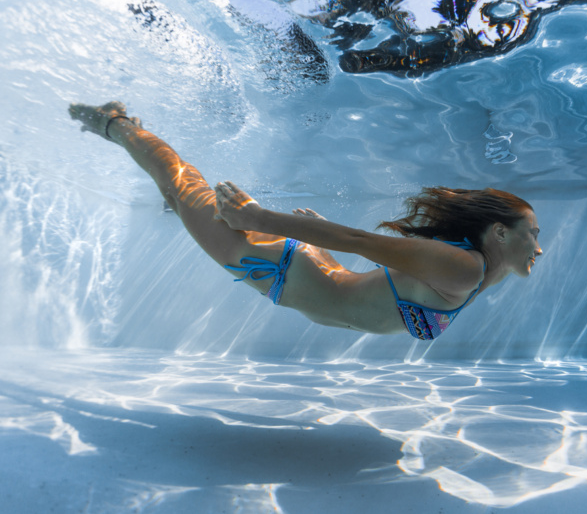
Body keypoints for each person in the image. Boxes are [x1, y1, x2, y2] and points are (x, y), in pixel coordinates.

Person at [68, 101, 542, 339]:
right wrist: (258, 216)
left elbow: (377, 276)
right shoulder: (466, 268)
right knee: (181, 183)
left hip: (305, 267)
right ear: (500, 232)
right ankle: (116, 122)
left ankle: (179, 202)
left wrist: (309, 239)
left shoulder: (489, 270)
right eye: (533, 235)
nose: (539, 247)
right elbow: (358, 240)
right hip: (276, 267)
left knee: (186, 199)